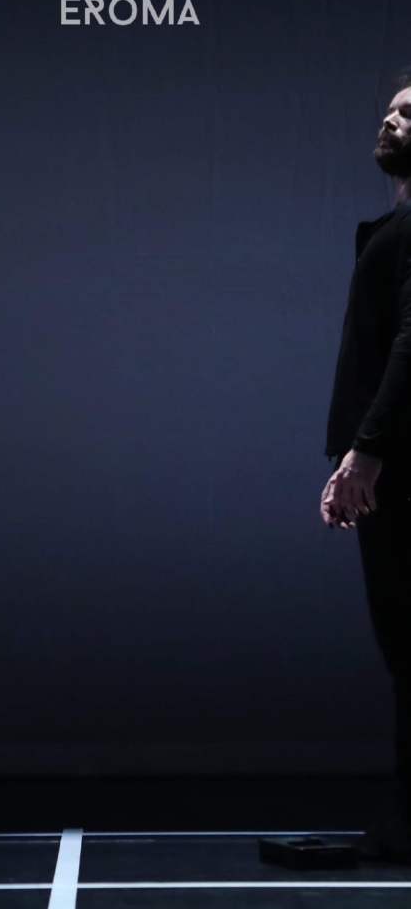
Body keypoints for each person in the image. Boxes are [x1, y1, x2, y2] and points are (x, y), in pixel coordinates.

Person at [321, 70, 411, 863]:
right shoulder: (396, 225)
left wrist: (367, 450)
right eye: (388, 110)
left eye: (408, 114)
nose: (390, 119)